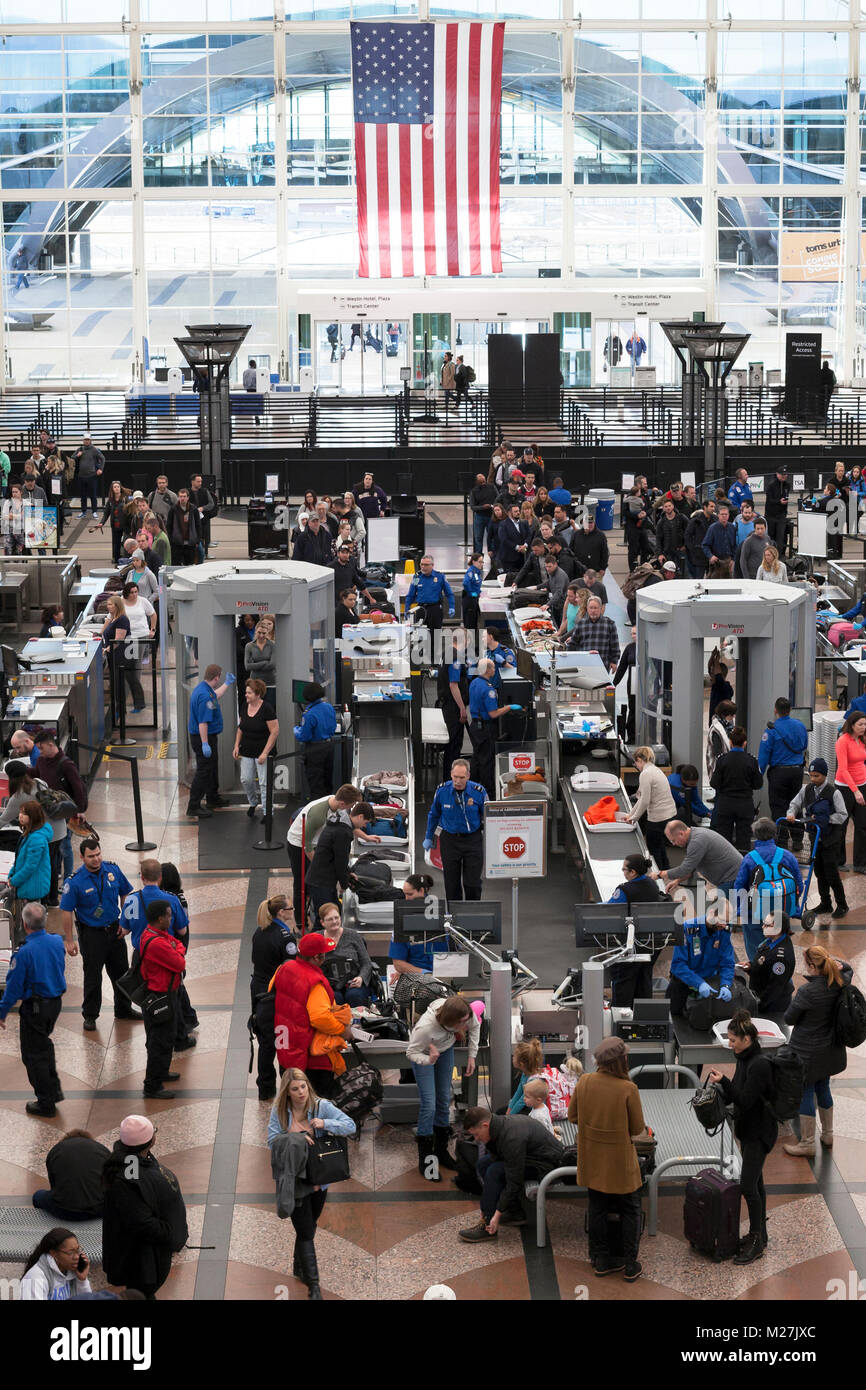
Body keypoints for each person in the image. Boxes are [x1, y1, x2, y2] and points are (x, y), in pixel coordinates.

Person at [267, 1068, 355, 1299]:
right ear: (287, 1092)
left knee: (309, 1225)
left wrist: (325, 1123)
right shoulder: (279, 1111)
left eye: (303, 1087)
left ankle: (299, 1265)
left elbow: (350, 1125)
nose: (300, 1093)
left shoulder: (321, 1106)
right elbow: (272, 1141)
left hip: (319, 1179)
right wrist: (294, 1138)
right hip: (295, 1180)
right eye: (295, 1089)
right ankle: (314, 1285)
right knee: (306, 1231)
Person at [565, 1036, 646, 1278]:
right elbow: (636, 1128)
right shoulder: (628, 1088)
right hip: (621, 1162)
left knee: (597, 1206)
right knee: (630, 1208)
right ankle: (630, 1263)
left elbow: (572, 1116)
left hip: (592, 1159)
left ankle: (600, 1260)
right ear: (621, 1061)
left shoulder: (585, 1082)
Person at [707, 1010, 776, 1265]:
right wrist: (723, 1088)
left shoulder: (758, 1064)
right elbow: (738, 1093)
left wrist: (725, 1081)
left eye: (734, 1040)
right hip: (749, 1129)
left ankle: (756, 1241)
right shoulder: (744, 1059)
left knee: (748, 1186)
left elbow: (745, 1099)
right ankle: (762, 1235)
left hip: (760, 1132)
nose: (730, 1044)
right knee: (756, 1184)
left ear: (747, 1039)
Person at [101, 1113, 188, 1299]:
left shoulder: (133, 1161)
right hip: (142, 1258)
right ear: (150, 1141)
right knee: (142, 1293)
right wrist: (169, 1233)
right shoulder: (127, 1180)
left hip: (148, 1252)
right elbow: (140, 1221)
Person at [783, 945, 853, 1158]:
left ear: (813, 966)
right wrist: (836, 962)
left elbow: (789, 1018)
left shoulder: (808, 991)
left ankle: (807, 1142)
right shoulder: (840, 981)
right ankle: (828, 1135)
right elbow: (848, 968)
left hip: (808, 1051)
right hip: (830, 1051)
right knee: (823, 1087)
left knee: (806, 1090)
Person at [60, 836, 136, 1031]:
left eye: (98, 854)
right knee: (93, 976)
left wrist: (125, 921)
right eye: (91, 856)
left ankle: (124, 1009)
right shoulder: (75, 882)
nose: (96, 859)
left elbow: (126, 892)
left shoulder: (113, 870)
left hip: (114, 930)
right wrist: (69, 940)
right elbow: (66, 911)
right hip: (92, 935)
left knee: (122, 973)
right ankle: (91, 1015)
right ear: (82, 857)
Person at [459, 1106, 564, 1242]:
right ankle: (514, 1212)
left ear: (485, 1125)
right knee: (483, 1164)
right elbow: (498, 1156)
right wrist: (488, 1203)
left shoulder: (511, 1138)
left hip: (546, 1166)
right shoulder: (497, 1125)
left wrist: (496, 1214)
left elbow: (515, 1179)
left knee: (494, 1171)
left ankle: (487, 1226)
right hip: (530, 1156)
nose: (476, 1139)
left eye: (476, 1135)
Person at [0, 902, 66, 1116]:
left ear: (24, 924)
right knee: (43, 1046)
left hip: (35, 1008)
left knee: (33, 1055)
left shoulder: (24, 953)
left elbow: (13, 988)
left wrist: (2, 1012)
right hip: (54, 1003)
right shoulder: (57, 941)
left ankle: (46, 1102)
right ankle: (53, 1090)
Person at [272, 933, 353, 1098]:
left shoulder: (285, 968)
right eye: (324, 953)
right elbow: (319, 1017)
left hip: (286, 1046)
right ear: (317, 957)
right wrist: (342, 1030)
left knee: (292, 1103)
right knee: (318, 1105)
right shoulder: (314, 981)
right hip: (310, 1057)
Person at [408, 996, 479, 1180]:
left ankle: (441, 1150)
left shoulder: (463, 1012)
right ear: (451, 1020)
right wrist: (428, 1060)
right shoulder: (425, 1028)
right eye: (462, 1022)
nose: (466, 1024)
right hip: (424, 1053)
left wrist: (472, 1056)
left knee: (444, 1100)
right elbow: (411, 1052)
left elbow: (475, 1024)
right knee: (429, 1105)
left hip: (445, 1049)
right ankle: (426, 1159)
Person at [285, 783, 366, 922]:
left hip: (316, 842)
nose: (350, 809)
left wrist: (366, 837)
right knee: (303, 883)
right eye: (350, 805)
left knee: (314, 879)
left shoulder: (337, 805)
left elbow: (349, 825)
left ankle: (313, 908)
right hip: (298, 844)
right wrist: (318, 865)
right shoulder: (318, 814)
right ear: (342, 803)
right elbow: (307, 844)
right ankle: (300, 919)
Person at [733, 816, 804, 959]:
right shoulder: (787, 856)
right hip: (781, 912)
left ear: (755, 834)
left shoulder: (750, 858)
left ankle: (759, 976)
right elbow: (799, 885)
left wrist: (741, 909)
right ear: (774, 833)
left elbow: (740, 887)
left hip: (755, 913)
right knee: (780, 949)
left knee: (756, 949)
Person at [0, 761, 69, 907]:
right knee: (51, 865)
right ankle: (52, 899)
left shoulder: (19, 796)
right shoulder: (38, 782)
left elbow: (3, 820)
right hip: (59, 829)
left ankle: (44, 901)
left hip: (46, 834)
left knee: (41, 866)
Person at [787, 758, 849, 920]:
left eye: (816, 776)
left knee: (831, 873)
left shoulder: (833, 792)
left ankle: (842, 904)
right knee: (819, 871)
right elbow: (795, 803)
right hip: (815, 838)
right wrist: (791, 813)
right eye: (811, 775)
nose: (813, 779)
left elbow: (842, 815)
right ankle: (825, 903)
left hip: (830, 839)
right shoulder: (807, 789)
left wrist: (824, 819)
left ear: (824, 775)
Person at [138, 899, 187, 1100]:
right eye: (168, 915)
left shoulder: (154, 933)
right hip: (161, 997)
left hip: (167, 994)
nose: (171, 917)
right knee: (160, 1041)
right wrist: (177, 950)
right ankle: (152, 1085)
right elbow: (179, 963)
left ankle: (162, 1072)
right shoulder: (157, 943)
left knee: (167, 1037)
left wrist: (176, 947)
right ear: (160, 919)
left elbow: (178, 944)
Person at [424, 758, 488, 903]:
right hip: (450, 840)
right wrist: (429, 836)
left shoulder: (479, 792)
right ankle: (454, 913)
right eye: (455, 777)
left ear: (468, 776)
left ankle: (472, 910)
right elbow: (434, 815)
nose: (458, 781)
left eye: (462, 777)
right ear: (451, 774)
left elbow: (487, 816)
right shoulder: (442, 791)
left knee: (472, 882)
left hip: (473, 840)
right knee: (451, 882)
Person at [606, 854, 665, 1006]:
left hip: (631, 943)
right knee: (643, 978)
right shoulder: (653, 885)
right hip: (650, 942)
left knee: (623, 980)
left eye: (624, 869)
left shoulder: (625, 890)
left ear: (633, 872)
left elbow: (609, 910)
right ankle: (642, 1016)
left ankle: (620, 1016)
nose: (623, 872)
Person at [33, 730, 87, 887]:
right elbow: (36, 775)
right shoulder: (42, 761)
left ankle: (67, 880)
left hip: (65, 812)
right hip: (49, 811)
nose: (40, 752)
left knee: (64, 846)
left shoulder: (66, 764)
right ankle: (56, 874)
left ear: (51, 744)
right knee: (54, 845)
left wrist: (80, 810)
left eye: (41, 748)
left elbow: (78, 789)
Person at [304, 800, 375, 918]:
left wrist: (348, 874)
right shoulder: (343, 832)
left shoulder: (338, 823)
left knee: (335, 911)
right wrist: (344, 883)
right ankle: (316, 936)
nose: (364, 826)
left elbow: (337, 857)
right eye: (365, 822)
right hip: (322, 881)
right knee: (325, 919)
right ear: (360, 816)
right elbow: (340, 861)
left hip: (319, 878)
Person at [667, 901, 736, 1016]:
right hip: (683, 983)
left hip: (709, 985)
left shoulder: (723, 932)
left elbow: (727, 963)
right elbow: (678, 965)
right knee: (675, 1019)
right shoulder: (688, 929)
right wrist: (698, 983)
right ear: (711, 912)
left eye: (727, 922)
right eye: (723, 921)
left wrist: (725, 985)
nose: (724, 925)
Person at [186, 663, 236, 819]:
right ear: (216, 677)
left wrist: (227, 684)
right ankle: (193, 806)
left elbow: (216, 695)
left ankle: (212, 798)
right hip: (203, 738)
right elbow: (203, 723)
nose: (221, 680)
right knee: (203, 771)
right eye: (221, 678)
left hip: (207, 737)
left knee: (212, 768)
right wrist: (205, 743)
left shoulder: (204, 689)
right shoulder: (205, 696)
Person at [32, 1129, 111, 1221]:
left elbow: (53, 1184)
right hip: (98, 1210)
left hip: (63, 1210)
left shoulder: (57, 1149)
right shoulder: (102, 1150)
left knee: (37, 1196)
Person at [758, 696, 808, 837]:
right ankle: (798, 839)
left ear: (775, 711)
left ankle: (782, 840)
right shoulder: (800, 726)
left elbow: (763, 756)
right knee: (796, 805)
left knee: (778, 807)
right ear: (790, 710)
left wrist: (758, 777)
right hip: (797, 772)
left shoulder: (771, 730)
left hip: (778, 774)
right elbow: (804, 746)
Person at [467, 663, 519, 799]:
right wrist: (509, 707)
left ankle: (470, 787)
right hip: (486, 728)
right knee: (487, 761)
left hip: (475, 725)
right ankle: (488, 794)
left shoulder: (474, 682)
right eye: (493, 668)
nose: (495, 670)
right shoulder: (488, 689)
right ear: (488, 670)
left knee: (477, 757)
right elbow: (493, 713)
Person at [657, 822, 744, 903]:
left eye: (673, 840)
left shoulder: (697, 841)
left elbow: (684, 870)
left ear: (681, 834)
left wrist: (659, 874)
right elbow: (690, 868)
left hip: (731, 878)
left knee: (723, 914)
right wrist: (677, 881)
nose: (673, 844)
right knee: (720, 911)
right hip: (730, 876)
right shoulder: (695, 835)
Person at [710, 726, 764, 855]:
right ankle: (743, 866)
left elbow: (714, 783)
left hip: (725, 804)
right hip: (745, 805)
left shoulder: (722, 760)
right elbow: (758, 784)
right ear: (745, 743)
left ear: (730, 742)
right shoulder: (752, 760)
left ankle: (725, 867)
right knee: (744, 839)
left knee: (723, 839)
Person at [231, 678, 279, 819]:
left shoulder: (267, 709)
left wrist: (265, 753)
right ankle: (253, 802)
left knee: (264, 783)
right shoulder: (244, 706)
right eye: (246, 692)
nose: (246, 695)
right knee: (246, 779)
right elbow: (241, 728)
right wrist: (236, 745)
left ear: (258, 694)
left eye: (249, 693)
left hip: (263, 752)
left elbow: (275, 732)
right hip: (247, 750)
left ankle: (267, 812)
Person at [623, 747, 676, 870]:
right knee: (660, 844)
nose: (635, 766)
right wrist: (630, 815)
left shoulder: (645, 774)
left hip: (658, 816)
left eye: (635, 763)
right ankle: (666, 869)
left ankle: (659, 875)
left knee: (653, 847)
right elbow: (641, 797)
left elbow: (644, 801)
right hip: (669, 814)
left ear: (639, 760)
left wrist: (634, 818)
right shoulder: (655, 770)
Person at [317, 901, 374, 1006]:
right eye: (330, 919)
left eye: (336, 917)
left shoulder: (353, 936)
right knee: (334, 998)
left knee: (354, 996)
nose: (334, 921)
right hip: (328, 983)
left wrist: (361, 977)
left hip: (353, 981)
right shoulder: (316, 938)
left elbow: (366, 963)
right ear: (322, 922)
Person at [8, 798, 53, 918]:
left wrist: (14, 880)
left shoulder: (36, 839)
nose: (20, 816)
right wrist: (12, 874)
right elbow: (20, 859)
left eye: (24, 814)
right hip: (28, 884)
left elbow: (30, 866)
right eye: (20, 812)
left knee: (32, 922)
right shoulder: (30, 834)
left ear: (33, 817)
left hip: (33, 886)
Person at [436, 628, 470, 782]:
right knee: (454, 746)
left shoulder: (447, 652)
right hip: (453, 707)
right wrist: (462, 708)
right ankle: (451, 781)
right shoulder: (456, 658)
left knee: (451, 745)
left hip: (445, 704)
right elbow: (453, 685)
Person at [20, 1228, 93, 1300]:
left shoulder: (71, 1271)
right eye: (70, 1252)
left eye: (78, 1250)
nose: (77, 1257)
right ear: (53, 1253)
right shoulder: (35, 1278)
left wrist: (82, 1281)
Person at [744, 912, 795, 1015]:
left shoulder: (781, 957)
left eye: (767, 925)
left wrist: (759, 1005)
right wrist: (751, 966)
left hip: (772, 1006)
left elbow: (775, 987)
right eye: (764, 923)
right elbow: (764, 964)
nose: (762, 927)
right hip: (760, 993)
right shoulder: (769, 941)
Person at [294, 681, 338, 798]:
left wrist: (296, 730)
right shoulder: (329, 707)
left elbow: (305, 736)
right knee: (328, 781)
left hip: (315, 750)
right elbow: (333, 727)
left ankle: (318, 812)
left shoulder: (309, 714)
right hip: (329, 747)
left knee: (316, 784)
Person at [834, 711, 866, 870]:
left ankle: (861, 863)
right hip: (845, 787)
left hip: (862, 784)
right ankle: (839, 861)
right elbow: (843, 769)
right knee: (842, 824)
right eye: (860, 724)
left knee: (862, 825)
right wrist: (855, 791)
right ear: (852, 725)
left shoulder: (862, 740)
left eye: (865, 724)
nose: (863, 727)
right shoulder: (842, 741)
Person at [565, 595, 620, 673]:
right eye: (591, 608)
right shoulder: (581, 624)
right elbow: (572, 644)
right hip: (584, 665)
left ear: (600, 609)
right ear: (587, 609)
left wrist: (614, 661)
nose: (593, 610)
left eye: (595, 608)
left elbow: (615, 645)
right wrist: (569, 659)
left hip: (603, 665)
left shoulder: (609, 624)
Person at [405, 554, 455, 633]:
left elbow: (449, 593)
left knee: (435, 636)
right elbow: (411, 595)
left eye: (426, 565)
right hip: (420, 609)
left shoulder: (440, 577)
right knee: (421, 636)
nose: (423, 567)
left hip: (435, 610)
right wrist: (407, 609)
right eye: (422, 564)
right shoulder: (417, 577)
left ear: (432, 565)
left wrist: (452, 606)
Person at [507, 1037, 547, 1115]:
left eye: (514, 1056)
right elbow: (518, 1093)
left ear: (521, 1064)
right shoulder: (525, 1074)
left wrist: (509, 1116)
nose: (513, 1058)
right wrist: (509, 1109)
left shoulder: (534, 1080)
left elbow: (522, 1102)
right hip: (528, 1104)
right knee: (500, 1111)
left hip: (534, 1109)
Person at [167, 487, 200, 566]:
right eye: (180, 496)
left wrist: (197, 540)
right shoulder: (173, 509)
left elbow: (198, 525)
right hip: (177, 543)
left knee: (190, 566)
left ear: (188, 497)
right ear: (178, 497)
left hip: (190, 543)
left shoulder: (194, 509)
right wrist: (171, 540)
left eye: (184, 496)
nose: (182, 498)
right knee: (175, 565)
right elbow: (169, 526)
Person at [73, 435, 104, 517]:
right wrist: (77, 456)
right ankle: (83, 511)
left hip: (92, 476)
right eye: (85, 440)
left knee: (93, 495)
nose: (86, 441)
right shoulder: (80, 449)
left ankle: (94, 511)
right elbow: (72, 458)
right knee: (83, 496)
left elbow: (102, 458)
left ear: (90, 441)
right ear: (83, 440)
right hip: (81, 476)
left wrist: (100, 469)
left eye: (88, 440)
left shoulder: (94, 449)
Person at [655, 498, 688, 576]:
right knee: (669, 576)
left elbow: (689, 532)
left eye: (669, 506)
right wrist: (659, 554)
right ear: (663, 508)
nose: (668, 508)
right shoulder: (661, 522)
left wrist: (686, 545)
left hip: (681, 551)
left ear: (673, 506)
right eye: (666, 506)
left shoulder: (681, 518)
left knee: (683, 574)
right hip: (667, 553)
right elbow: (658, 539)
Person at [570, 514, 609, 579]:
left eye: (591, 522)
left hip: (595, 572)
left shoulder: (601, 536)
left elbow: (605, 553)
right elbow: (571, 551)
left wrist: (603, 568)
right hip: (579, 572)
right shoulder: (576, 535)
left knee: (596, 589)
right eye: (587, 522)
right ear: (583, 523)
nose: (589, 525)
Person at [706, 698, 736, 780]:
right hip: (720, 771)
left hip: (727, 769)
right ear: (724, 714)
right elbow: (718, 754)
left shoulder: (729, 726)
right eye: (731, 715)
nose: (733, 717)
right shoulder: (716, 730)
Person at [702, 503, 737, 567]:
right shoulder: (712, 528)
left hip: (729, 562)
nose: (724, 516)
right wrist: (711, 556)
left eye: (726, 514)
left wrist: (733, 559)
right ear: (718, 515)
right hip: (716, 562)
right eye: (722, 514)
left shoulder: (732, 527)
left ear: (728, 515)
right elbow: (705, 545)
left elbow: (735, 545)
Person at [764, 466, 790, 554]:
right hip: (771, 515)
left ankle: (779, 556)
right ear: (777, 474)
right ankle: (770, 555)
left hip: (781, 515)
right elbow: (769, 500)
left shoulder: (787, 485)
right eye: (782, 474)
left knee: (780, 537)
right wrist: (779, 502)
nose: (784, 476)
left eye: (785, 474)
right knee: (771, 536)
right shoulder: (771, 485)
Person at [737, 515, 770, 580]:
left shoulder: (767, 539)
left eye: (762, 528)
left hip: (765, 574)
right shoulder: (748, 541)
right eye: (758, 529)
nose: (760, 531)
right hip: (752, 576)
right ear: (754, 529)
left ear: (765, 528)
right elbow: (743, 560)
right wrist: (746, 577)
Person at [462, 552, 483, 634]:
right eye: (480, 562)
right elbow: (465, 583)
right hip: (469, 600)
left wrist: (479, 592)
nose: (481, 564)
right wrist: (473, 594)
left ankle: (473, 644)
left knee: (473, 623)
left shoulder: (476, 572)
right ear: (474, 562)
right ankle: (469, 644)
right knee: (470, 625)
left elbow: (475, 584)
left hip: (474, 600)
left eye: (482, 562)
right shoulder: (471, 572)